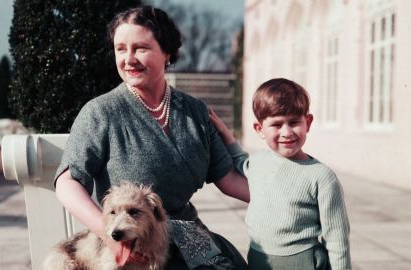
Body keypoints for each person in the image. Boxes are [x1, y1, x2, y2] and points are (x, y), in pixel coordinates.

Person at [54, 5, 249, 270]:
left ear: (167, 52)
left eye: (141, 48)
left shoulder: (195, 112)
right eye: (121, 49)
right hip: (128, 241)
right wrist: (108, 233)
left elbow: (230, 181)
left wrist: (292, 194)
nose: (129, 59)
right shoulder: (101, 112)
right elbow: (67, 182)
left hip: (188, 236)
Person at [209, 78, 351, 270]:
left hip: (304, 263)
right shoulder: (259, 162)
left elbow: (337, 239)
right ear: (260, 129)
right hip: (260, 259)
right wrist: (227, 135)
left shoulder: (322, 177)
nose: (287, 132)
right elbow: (240, 160)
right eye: (277, 125)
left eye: (294, 122)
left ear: (307, 123)